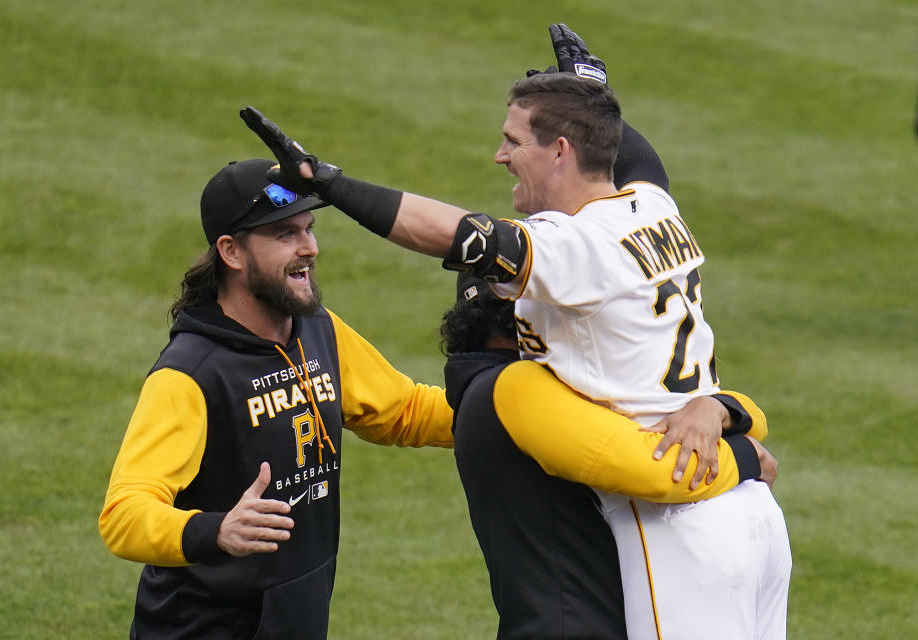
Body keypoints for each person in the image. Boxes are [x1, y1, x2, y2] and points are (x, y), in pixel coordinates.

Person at [240, 26, 792, 639]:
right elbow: (634, 156)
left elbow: (454, 234)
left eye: (513, 141)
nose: (501, 155)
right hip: (756, 520)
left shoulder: (574, 248)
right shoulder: (653, 206)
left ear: (558, 150)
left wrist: (331, 186)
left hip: (679, 522)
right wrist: (592, 91)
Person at [98, 158, 455, 639]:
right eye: (286, 234)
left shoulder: (317, 331)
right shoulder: (192, 373)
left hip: (295, 616)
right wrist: (216, 530)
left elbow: (405, 411)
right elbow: (124, 514)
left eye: (308, 229)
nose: (310, 248)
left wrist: (506, 410)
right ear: (232, 252)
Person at [442, 274, 778, 639]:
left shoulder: (487, 393)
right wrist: (745, 456)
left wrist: (717, 408)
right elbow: (661, 468)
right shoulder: (519, 388)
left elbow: (680, 415)